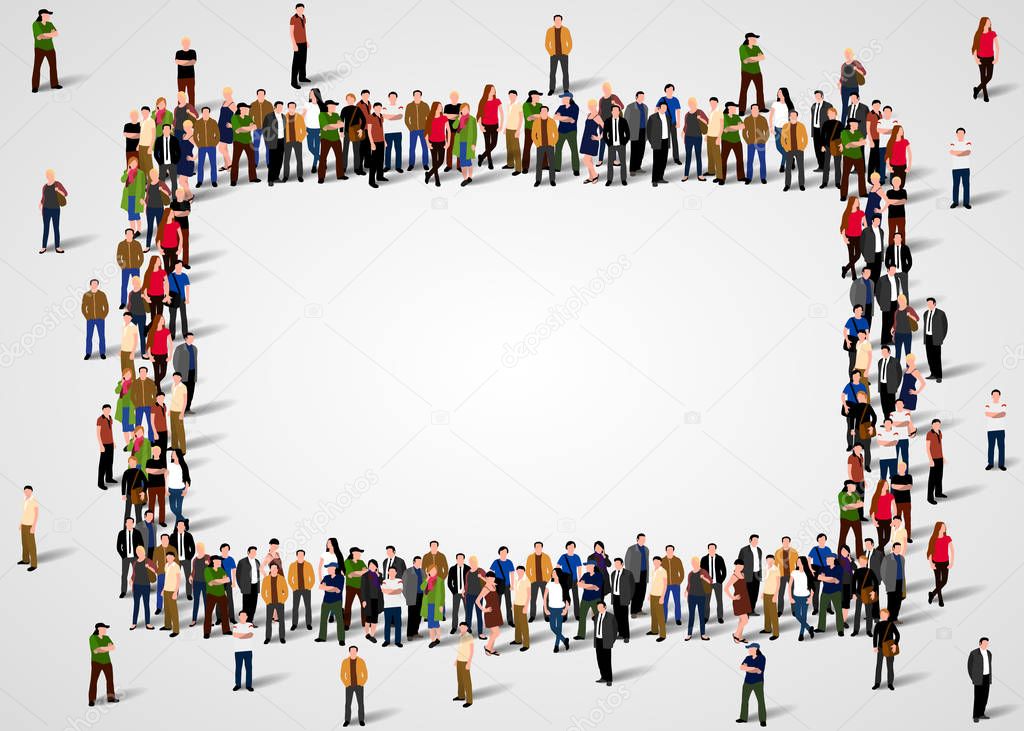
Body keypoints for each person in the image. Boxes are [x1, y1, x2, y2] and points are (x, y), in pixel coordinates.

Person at [229, 103, 260, 185]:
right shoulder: (234, 118)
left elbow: (255, 126)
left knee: (251, 160)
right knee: (235, 160)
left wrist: (244, 128)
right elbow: (238, 130)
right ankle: (233, 180)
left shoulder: (249, 118)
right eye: (246, 109)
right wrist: (248, 128)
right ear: (240, 109)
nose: (247, 110)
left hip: (249, 141)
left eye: (248, 109)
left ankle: (253, 177)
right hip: (238, 141)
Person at [88, 623, 117, 707]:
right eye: (104, 628)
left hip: (107, 662)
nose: (105, 630)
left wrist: (102, 648)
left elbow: (113, 647)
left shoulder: (107, 638)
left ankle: (111, 697)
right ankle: (91, 700)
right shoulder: (93, 638)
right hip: (96, 662)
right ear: (99, 629)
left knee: (110, 680)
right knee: (94, 680)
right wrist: (106, 648)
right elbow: (96, 651)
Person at [737, 643, 767, 726]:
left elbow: (759, 671)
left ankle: (762, 719)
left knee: (760, 701)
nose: (749, 650)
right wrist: (752, 668)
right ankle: (743, 717)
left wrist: (748, 668)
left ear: (755, 649)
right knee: (744, 700)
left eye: (750, 649)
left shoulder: (762, 658)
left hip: (758, 682)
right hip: (747, 682)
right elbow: (741, 667)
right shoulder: (748, 658)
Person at [39, 168, 68, 254]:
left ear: (53, 175)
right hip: (46, 210)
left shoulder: (57, 184)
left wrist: (58, 190)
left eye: (51, 175)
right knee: (46, 228)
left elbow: (65, 194)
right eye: (48, 175)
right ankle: (43, 247)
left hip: (55, 209)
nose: (50, 176)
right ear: (47, 176)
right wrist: (40, 204)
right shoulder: (44, 186)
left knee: (56, 228)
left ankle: (57, 247)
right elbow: (43, 198)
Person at [31, 9, 61, 93]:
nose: (49, 16)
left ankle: (54, 84)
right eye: (47, 14)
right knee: (37, 67)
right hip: (39, 49)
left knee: (53, 66)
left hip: (50, 48)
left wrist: (46, 35)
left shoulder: (50, 24)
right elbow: (39, 37)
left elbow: (56, 34)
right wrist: (49, 35)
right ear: (42, 15)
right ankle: (35, 86)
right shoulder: (35, 24)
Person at [316, 561, 346, 643]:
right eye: (328, 568)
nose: (328, 569)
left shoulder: (341, 578)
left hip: (337, 602)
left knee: (339, 620)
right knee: (323, 619)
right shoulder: (326, 577)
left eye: (330, 568)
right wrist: (332, 588)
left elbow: (338, 590)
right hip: (326, 602)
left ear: (335, 569)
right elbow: (321, 587)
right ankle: (322, 637)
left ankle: (341, 639)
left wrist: (327, 587)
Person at [543, 567, 571, 652]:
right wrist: (545, 608)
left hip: (560, 609)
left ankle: (556, 646)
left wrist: (566, 609)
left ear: (558, 574)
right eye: (552, 572)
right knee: (552, 627)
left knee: (559, 628)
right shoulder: (549, 583)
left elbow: (567, 598)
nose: (552, 573)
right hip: (551, 609)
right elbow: (544, 597)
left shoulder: (563, 584)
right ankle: (564, 640)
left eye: (554, 572)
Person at [683, 556, 712, 641]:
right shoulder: (690, 574)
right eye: (693, 563)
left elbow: (710, 581)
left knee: (701, 616)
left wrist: (704, 578)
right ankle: (689, 634)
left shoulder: (703, 571)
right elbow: (689, 584)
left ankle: (703, 634)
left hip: (701, 597)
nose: (694, 564)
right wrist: (686, 591)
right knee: (691, 616)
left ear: (698, 563)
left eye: (695, 562)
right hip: (691, 597)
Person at [816, 554, 845, 636]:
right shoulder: (824, 568)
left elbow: (836, 581)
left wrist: (826, 578)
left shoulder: (839, 569)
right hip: (825, 592)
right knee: (822, 610)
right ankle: (821, 628)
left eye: (828, 558)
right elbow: (819, 578)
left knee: (838, 611)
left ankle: (840, 629)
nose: (826, 560)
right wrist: (831, 578)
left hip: (836, 592)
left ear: (833, 559)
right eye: (826, 558)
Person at [840, 118, 868, 200]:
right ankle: (843, 195)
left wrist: (854, 143)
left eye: (857, 124)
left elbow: (864, 142)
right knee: (845, 175)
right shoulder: (844, 133)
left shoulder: (858, 132)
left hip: (858, 157)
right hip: (848, 156)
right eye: (856, 124)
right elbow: (849, 145)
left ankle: (863, 193)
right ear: (850, 124)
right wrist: (857, 143)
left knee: (861, 175)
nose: (857, 125)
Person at [927, 522, 954, 607]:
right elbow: (930, 551)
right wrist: (931, 563)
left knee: (944, 581)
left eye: (944, 526)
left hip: (945, 562)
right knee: (938, 581)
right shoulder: (933, 539)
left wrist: (952, 562)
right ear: (938, 528)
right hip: (936, 562)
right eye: (943, 527)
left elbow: (952, 550)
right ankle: (940, 599)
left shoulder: (947, 538)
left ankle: (932, 594)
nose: (944, 528)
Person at [575, 561, 604, 640]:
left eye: (587, 566)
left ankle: (600, 633)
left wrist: (586, 585)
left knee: (598, 617)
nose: (586, 567)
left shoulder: (598, 575)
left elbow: (597, 587)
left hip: (596, 599)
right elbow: (579, 584)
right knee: (582, 617)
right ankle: (581, 635)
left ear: (593, 566)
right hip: (585, 599)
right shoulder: (585, 575)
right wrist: (591, 585)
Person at [317, 99, 345, 183]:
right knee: (323, 158)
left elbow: (342, 124)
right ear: (327, 107)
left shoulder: (336, 115)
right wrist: (336, 125)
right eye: (332, 106)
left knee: (339, 157)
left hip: (336, 139)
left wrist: (334, 126)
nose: (334, 107)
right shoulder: (322, 115)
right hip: (325, 139)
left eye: (334, 106)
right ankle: (321, 177)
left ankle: (340, 175)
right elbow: (326, 127)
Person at [872, 608, 900, 690]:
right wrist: (875, 646)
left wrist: (895, 644)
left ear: (888, 615)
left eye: (884, 614)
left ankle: (890, 683)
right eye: (882, 614)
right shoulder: (878, 625)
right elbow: (875, 636)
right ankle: (877, 683)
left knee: (890, 666)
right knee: (879, 666)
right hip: (880, 648)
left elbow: (897, 635)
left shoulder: (891, 624)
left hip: (889, 647)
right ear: (880, 615)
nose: (883, 616)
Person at [972, 17, 999, 102]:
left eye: (990, 21)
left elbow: (997, 47)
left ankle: (977, 89)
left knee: (989, 76)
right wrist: (976, 58)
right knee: (983, 77)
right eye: (988, 22)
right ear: (983, 23)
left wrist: (996, 58)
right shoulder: (978, 34)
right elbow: (975, 46)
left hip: (990, 58)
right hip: (981, 58)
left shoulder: (993, 33)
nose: (990, 23)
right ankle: (985, 96)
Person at [788, 557, 816, 641]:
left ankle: (801, 634)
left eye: (799, 561)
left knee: (804, 616)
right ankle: (809, 628)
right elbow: (789, 586)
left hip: (805, 597)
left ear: (803, 563)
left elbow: (812, 587)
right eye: (797, 561)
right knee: (797, 614)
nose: (797, 563)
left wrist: (810, 598)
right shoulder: (794, 572)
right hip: (796, 597)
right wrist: (790, 597)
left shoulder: (808, 573)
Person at [476, 571, 503, 655]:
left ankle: (490, 648)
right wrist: (484, 609)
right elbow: (477, 601)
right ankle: (487, 647)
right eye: (489, 578)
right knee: (496, 632)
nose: (491, 579)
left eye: (493, 578)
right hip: (490, 613)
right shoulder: (485, 589)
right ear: (487, 578)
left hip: (496, 612)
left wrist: (481, 577)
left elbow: (488, 580)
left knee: (494, 632)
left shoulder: (493, 585)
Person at [738, 33, 766, 113]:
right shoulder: (742, 48)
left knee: (760, 90)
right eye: (754, 38)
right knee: (744, 90)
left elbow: (763, 57)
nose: (755, 40)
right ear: (749, 39)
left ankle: (761, 107)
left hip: (757, 71)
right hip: (746, 72)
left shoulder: (756, 48)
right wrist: (757, 58)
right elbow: (745, 60)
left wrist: (751, 58)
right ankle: (741, 110)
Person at [82, 279, 109, 361]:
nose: (94, 285)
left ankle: (102, 353)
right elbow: (83, 307)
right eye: (93, 284)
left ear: (98, 285)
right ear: (90, 285)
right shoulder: (87, 295)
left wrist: (103, 316)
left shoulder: (102, 294)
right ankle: (88, 353)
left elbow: (106, 306)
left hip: (100, 319)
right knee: (89, 337)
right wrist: (87, 316)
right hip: (90, 319)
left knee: (101, 336)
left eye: (96, 284)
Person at [524, 542, 553, 622]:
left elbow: (550, 569)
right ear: (534, 548)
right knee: (533, 599)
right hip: (534, 581)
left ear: (542, 548)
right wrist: (531, 579)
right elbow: (527, 570)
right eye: (537, 547)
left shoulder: (546, 557)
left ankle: (547, 615)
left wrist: (547, 579)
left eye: (540, 547)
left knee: (546, 598)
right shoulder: (530, 557)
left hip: (544, 581)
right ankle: (532, 616)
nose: (538, 548)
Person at [553, 91, 579, 176]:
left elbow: (572, 120)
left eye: (563, 98)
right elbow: (555, 117)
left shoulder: (575, 107)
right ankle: (557, 166)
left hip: (571, 131)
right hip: (560, 131)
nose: (562, 100)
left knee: (574, 150)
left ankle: (576, 169)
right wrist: (566, 118)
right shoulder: (561, 107)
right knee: (558, 149)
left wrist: (561, 118)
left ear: (569, 98)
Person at [655, 84, 682, 165]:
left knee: (674, 140)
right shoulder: (662, 99)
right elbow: (656, 109)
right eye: (669, 89)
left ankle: (676, 158)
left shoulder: (675, 100)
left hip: (673, 122)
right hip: (664, 122)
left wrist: (678, 121)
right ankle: (664, 158)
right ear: (665, 90)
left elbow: (678, 111)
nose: (670, 91)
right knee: (665, 140)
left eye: (672, 90)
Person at [531, 106, 559, 187]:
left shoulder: (552, 121)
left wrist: (553, 143)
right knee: (539, 164)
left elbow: (556, 134)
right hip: (540, 146)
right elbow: (533, 134)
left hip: (550, 145)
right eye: (542, 111)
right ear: (540, 113)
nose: (544, 113)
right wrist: (537, 144)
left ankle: (552, 180)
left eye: (545, 111)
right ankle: (538, 180)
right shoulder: (536, 122)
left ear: (547, 112)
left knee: (552, 163)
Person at [602, 103, 629, 186]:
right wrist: (608, 143)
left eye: (618, 110)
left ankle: (623, 179)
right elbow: (604, 134)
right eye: (614, 110)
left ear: (619, 111)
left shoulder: (623, 121)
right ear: (611, 112)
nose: (616, 112)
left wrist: (624, 142)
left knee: (623, 163)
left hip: (621, 145)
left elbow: (627, 133)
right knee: (610, 163)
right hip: (611, 145)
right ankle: (609, 179)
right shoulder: (607, 121)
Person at [718, 101, 745, 184]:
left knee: (740, 159)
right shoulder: (723, 116)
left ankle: (741, 177)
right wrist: (736, 127)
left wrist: (731, 127)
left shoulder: (736, 117)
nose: (735, 109)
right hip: (726, 141)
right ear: (729, 108)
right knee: (723, 160)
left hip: (737, 140)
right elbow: (726, 129)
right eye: (734, 108)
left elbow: (742, 126)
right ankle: (722, 178)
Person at [742, 104, 769, 184]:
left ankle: (763, 177)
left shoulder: (763, 119)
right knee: (750, 161)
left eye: (756, 109)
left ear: (758, 110)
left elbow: (767, 131)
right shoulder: (747, 119)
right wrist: (748, 141)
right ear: (751, 110)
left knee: (762, 160)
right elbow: (744, 132)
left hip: (761, 143)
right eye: (753, 109)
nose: (755, 110)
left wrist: (764, 140)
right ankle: (749, 178)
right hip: (750, 144)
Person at [451, 103, 477, 187]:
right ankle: (465, 178)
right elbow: (454, 126)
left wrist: (473, 144)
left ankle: (470, 177)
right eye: (463, 109)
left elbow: (475, 133)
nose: (465, 110)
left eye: (466, 109)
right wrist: (458, 118)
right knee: (462, 162)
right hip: (460, 143)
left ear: (469, 109)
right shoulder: (459, 119)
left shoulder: (472, 119)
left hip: (468, 143)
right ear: (461, 110)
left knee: (468, 161)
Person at [725, 560, 751, 643]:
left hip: (745, 599)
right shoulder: (734, 576)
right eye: (739, 565)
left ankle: (740, 636)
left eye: (742, 565)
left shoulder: (743, 574)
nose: (741, 567)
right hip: (738, 600)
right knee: (745, 620)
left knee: (741, 620)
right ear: (735, 565)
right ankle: (736, 635)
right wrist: (733, 597)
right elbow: (726, 588)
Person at [425, 101, 450, 187]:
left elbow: (448, 131)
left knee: (441, 161)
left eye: (441, 106)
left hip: (442, 142)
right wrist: (427, 143)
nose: (441, 107)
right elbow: (426, 132)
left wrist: (448, 142)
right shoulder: (429, 118)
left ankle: (428, 174)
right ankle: (437, 179)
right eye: (439, 106)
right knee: (435, 162)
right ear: (435, 107)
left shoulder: (444, 118)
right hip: (432, 142)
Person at [341, 646, 368, 727]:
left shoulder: (361, 661)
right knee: (348, 704)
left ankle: (361, 720)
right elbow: (342, 674)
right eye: (351, 651)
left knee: (360, 703)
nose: (353, 652)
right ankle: (347, 720)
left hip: (359, 686)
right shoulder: (345, 661)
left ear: (357, 652)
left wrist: (362, 683)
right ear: (349, 652)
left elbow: (365, 674)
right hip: (349, 686)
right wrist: (346, 683)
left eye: (354, 651)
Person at [288, 550, 315, 632]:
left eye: (302, 555)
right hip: (296, 589)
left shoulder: (308, 565)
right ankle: (294, 624)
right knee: (295, 607)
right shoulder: (292, 565)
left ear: (304, 555)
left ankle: (308, 624)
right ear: (296, 555)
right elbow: (289, 578)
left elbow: (312, 577)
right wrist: (293, 587)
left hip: (306, 589)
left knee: (308, 607)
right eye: (299, 555)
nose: (300, 556)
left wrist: (309, 587)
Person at [780, 110, 807, 191]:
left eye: (795, 115)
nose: (793, 117)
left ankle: (801, 184)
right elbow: (782, 139)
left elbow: (805, 138)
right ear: (789, 117)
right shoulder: (785, 126)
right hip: (789, 150)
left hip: (799, 150)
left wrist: (802, 147)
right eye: (791, 115)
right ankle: (787, 185)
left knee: (801, 168)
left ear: (797, 117)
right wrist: (786, 148)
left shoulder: (801, 126)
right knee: (788, 168)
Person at [545, 14, 571, 95]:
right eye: (556, 20)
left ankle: (566, 89)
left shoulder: (566, 30)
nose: (558, 21)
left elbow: (569, 42)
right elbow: (546, 43)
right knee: (552, 72)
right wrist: (551, 52)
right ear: (554, 21)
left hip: (564, 55)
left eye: (559, 20)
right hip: (553, 55)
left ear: (561, 21)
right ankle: (552, 89)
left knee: (565, 72)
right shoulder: (549, 30)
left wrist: (566, 52)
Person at [646, 101, 671, 186]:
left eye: (665, 108)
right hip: (657, 142)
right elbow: (648, 131)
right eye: (663, 107)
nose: (664, 109)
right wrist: (651, 141)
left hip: (665, 141)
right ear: (659, 108)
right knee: (656, 161)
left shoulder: (667, 117)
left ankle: (660, 178)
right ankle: (654, 180)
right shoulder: (652, 117)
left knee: (663, 161)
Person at [556, 542, 583, 620]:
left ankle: (577, 615)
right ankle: (564, 615)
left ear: (574, 548)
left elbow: (579, 567)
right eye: (569, 546)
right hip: (565, 580)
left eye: (572, 547)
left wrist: (580, 578)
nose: (571, 548)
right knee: (565, 597)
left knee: (576, 597)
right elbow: (557, 567)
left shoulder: (576, 557)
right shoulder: (563, 557)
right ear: (566, 547)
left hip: (574, 579)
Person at [172, 333, 198, 413]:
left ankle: (187, 409)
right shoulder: (180, 348)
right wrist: (178, 374)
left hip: (192, 372)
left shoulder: (194, 348)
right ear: (186, 339)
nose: (191, 340)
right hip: (183, 373)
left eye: (192, 338)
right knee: (182, 393)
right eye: (190, 338)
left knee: (191, 391)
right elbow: (175, 361)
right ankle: (180, 410)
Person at [701, 543, 727, 624]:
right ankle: (705, 617)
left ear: (715, 549)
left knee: (719, 600)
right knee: (706, 601)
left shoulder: (720, 558)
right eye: (710, 548)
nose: (712, 550)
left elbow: (724, 570)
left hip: (717, 583)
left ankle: (720, 617)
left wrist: (720, 581)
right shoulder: (704, 559)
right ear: (708, 549)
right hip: (707, 584)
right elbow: (701, 572)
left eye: (713, 548)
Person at [969, 637, 993, 722]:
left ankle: (982, 714)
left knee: (985, 697)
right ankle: (975, 716)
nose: (986, 645)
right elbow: (969, 666)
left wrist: (989, 677)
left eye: (987, 643)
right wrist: (973, 678)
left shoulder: (989, 653)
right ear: (980, 643)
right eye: (984, 643)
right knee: (978, 697)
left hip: (987, 677)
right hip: (978, 678)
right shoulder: (974, 653)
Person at [737, 535, 763, 616]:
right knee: (747, 593)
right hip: (747, 574)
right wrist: (740, 573)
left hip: (757, 574)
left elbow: (759, 563)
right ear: (750, 540)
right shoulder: (744, 550)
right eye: (754, 540)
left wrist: (760, 575)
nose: (755, 542)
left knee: (755, 593)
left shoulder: (759, 550)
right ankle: (745, 611)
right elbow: (739, 562)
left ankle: (752, 610)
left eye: (757, 540)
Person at [262, 101, 286, 186]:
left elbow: (285, 129)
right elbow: (264, 130)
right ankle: (270, 179)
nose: (280, 108)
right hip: (272, 141)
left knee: (279, 160)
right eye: (278, 107)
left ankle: (276, 177)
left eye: (281, 107)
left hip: (282, 141)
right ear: (274, 107)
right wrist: (267, 142)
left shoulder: (283, 117)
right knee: (272, 161)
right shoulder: (269, 116)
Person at [489, 547, 515, 627]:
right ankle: (497, 621)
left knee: (508, 604)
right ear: (499, 553)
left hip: (507, 585)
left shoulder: (509, 562)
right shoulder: (496, 562)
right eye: (502, 552)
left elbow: (512, 574)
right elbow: (491, 574)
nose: (504, 553)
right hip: (498, 585)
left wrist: (512, 585)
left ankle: (510, 620)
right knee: (497, 604)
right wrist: (492, 584)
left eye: (505, 552)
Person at [405, 90, 430, 172]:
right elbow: (406, 119)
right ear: (413, 96)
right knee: (412, 148)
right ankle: (411, 164)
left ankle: (425, 164)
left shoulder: (425, 105)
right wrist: (411, 128)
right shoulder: (409, 106)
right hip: (413, 130)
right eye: (415, 95)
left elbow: (429, 118)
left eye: (418, 95)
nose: (417, 96)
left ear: (421, 96)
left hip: (424, 130)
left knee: (425, 147)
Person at [624, 92, 649, 176]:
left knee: (641, 150)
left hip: (643, 131)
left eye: (643, 96)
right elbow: (625, 120)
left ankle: (638, 167)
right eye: (640, 96)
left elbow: (646, 119)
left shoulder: (645, 107)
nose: (642, 98)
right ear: (636, 97)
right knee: (634, 151)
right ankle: (632, 169)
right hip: (634, 132)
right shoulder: (630, 107)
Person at [839, 47, 867, 118]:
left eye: (849, 53)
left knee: (853, 107)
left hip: (854, 88)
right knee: (844, 107)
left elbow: (864, 73)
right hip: (844, 88)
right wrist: (839, 85)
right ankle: (843, 125)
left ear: (852, 54)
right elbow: (842, 77)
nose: (847, 55)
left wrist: (856, 69)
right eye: (846, 54)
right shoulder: (843, 65)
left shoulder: (856, 63)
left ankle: (852, 125)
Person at [819, 105, 843, 190]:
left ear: (835, 114)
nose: (830, 115)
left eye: (832, 113)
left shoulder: (839, 124)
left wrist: (842, 145)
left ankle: (838, 183)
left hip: (837, 146)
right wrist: (822, 145)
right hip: (827, 146)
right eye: (829, 113)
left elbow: (843, 136)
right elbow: (822, 135)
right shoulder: (825, 123)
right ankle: (824, 182)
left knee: (837, 165)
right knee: (826, 165)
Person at [343, 547, 367, 630]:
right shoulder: (347, 562)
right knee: (348, 605)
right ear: (353, 553)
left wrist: (358, 573)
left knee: (364, 604)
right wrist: (360, 573)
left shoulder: (361, 562)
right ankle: (346, 624)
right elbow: (352, 574)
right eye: (359, 553)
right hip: (351, 587)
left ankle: (365, 622)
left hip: (362, 587)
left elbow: (365, 572)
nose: (360, 554)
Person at [880, 543, 906, 620]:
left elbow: (903, 572)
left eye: (899, 548)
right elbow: (882, 572)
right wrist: (887, 583)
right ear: (893, 548)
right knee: (891, 602)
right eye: (897, 548)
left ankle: (895, 618)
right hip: (891, 583)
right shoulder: (887, 558)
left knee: (898, 602)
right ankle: (890, 619)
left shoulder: (902, 558)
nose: (898, 549)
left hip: (900, 582)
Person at [593, 601, 617, 686]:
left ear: (605, 607)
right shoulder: (596, 616)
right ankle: (603, 677)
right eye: (598, 607)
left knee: (607, 660)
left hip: (606, 641)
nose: (599, 609)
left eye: (601, 607)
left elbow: (615, 630)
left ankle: (609, 679)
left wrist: (612, 641)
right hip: (598, 641)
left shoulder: (611, 617)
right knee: (600, 660)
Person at [359, 560, 383, 642]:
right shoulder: (365, 576)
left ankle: (372, 635)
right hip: (368, 600)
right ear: (368, 566)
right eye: (370, 565)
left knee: (375, 618)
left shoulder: (379, 575)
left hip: (377, 599)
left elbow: (381, 584)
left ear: (376, 567)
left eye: (374, 565)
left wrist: (378, 575)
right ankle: (367, 634)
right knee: (368, 618)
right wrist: (363, 600)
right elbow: (363, 589)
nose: (372, 567)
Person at [422, 565, 445, 648]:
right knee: (430, 623)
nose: (433, 571)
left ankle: (438, 639)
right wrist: (427, 579)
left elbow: (443, 594)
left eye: (434, 570)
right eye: (431, 570)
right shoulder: (427, 580)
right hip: (427, 604)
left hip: (436, 605)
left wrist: (441, 605)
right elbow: (422, 588)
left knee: (436, 623)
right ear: (428, 571)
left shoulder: (440, 580)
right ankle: (432, 640)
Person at [381, 565, 404, 647]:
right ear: (388, 572)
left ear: (396, 572)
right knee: (387, 624)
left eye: (393, 571)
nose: (392, 573)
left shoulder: (399, 580)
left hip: (397, 606)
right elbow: (384, 590)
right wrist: (393, 590)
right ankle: (387, 640)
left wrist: (390, 591)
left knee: (398, 624)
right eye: (390, 571)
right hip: (387, 606)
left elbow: (399, 590)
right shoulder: (385, 581)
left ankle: (398, 641)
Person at [382, 91, 404, 174]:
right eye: (391, 97)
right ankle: (387, 166)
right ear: (388, 98)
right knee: (388, 149)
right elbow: (383, 116)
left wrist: (389, 117)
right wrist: (394, 116)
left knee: (398, 149)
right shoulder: (384, 107)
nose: (392, 98)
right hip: (388, 132)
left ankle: (398, 167)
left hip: (398, 132)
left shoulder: (400, 106)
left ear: (396, 98)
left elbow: (400, 116)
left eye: (394, 97)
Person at [984, 390, 1007, 471]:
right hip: (990, 429)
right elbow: (987, 414)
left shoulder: (1003, 403)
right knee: (991, 447)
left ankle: (1001, 464)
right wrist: (998, 414)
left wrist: (992, 415)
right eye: (994, 395)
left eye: (997, 395)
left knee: (1001, 447)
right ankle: (990, 463)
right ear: (992, 396)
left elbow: (1003, 414)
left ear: (999, 396)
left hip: (1000, 429)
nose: (995, 396)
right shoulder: (988, 404)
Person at [950, 128, 972, 208]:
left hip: (965, 168)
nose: (960, 135)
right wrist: (962, 152)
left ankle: (966, 203)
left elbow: (968, 152)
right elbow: (951, 152)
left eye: (962, 133)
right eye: (959, 133)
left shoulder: (967, 142)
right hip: (955, 168)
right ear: (956, 134)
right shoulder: (953, 143)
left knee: (966, 185)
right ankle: (955, 202)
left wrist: (958, 153)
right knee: (956, 185)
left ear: (964, 134)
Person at [303, 89, 324, 174]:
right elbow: (303, 116)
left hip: (318, 129)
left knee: (317, 148)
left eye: (311, 93)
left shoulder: (322, 105)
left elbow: (324, 119)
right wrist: (304, 128)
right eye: (310, 93)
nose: (310, 94)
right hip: (309, 129)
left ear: (316, 94)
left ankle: (314, 166)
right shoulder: (307, 104)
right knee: (310, 147)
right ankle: (322, 160)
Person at [403, 556, 424, 640]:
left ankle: (415, 632)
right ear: (413, 562)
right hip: (412, 596)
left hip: (421, 596)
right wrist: (407, 596)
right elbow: (404, 586)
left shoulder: (422, 571)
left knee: (419, 615)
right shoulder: (408, 571)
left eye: (420, 562)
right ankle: (409, 634)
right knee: (411, 615)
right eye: (418, 562)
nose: (419, 563)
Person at [510, 564, 531, 651]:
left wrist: (526, 606)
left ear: (524, 571)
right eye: (518, 571)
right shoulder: (516, 580)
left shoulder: (526, 581)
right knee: (517, 623)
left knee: (524, 625)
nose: (519, 573)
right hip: (516, 604)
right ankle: (518, 640)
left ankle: (526, 644)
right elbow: (515, 593)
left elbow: (529, 594)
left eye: (521, 571)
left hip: (523, 604)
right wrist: (513, 604)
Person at [289, 4, 310, 89]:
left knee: (303, 61)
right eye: (299, 9)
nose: (301, 10)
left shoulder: (304, 17)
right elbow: (291, 32)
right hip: (297, 43)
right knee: (296, 63)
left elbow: (303, 30)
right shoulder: (293, 18)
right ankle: (293, 82)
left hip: (304, 43)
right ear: (296, 9)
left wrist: (306, 41)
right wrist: (294, 44)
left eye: (302, 9)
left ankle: (302, 77)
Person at [503, 90, 523, 175]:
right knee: (509, 147)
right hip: (508, 129)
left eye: (513, 95)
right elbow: (508, 117)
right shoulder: (508, 105)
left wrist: (518, 130)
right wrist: (505, 127)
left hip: (515, 129)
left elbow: (521, 118)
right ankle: (510, 164)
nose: (511, 97)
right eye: (510, 95)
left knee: (516, 149)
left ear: (516, 96)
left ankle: (518, 168)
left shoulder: (519, 105)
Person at [454, 622, 474, 707]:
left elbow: (471, 650)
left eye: (463, 627)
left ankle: (469, 700)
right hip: (459, 660)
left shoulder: (469, 637)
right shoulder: (461, 636)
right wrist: (456, 659)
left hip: (465, 661)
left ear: (467, 628)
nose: (461, 629)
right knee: (460, 679)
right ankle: (461, 695)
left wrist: (469, 662)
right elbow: (461, 649)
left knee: (467, 681)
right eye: (460, 627)